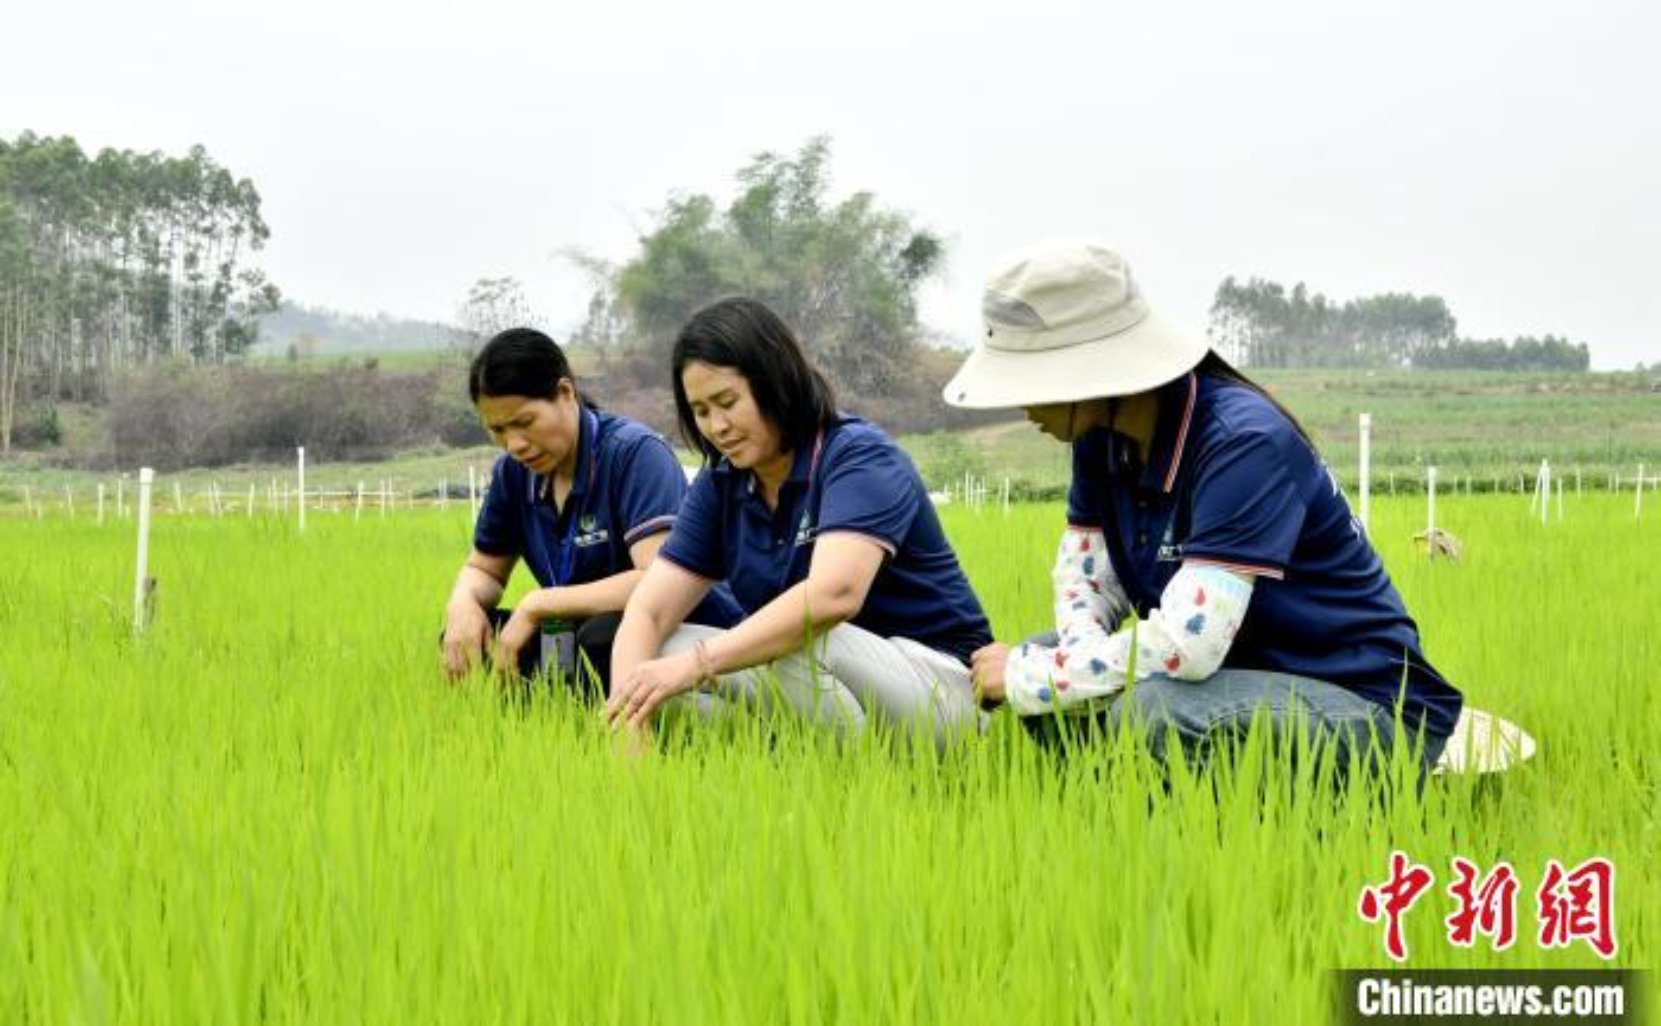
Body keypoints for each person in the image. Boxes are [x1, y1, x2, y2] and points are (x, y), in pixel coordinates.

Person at [945, 243, 1463, 770]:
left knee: (1149, 710)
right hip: (1235, 681)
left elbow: (1188, 644)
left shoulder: (1243, 442)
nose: (1020, 404)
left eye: (1026, 380)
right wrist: (1064, 664)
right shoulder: (1100, 440)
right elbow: (1088, 581)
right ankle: (1128, 816)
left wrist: (1030, 678)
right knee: (1047, 652)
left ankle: (1236, 826)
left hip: (1364, 703)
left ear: (1085, 371)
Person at [605, 297, 992, 745]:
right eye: (701, 411)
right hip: (828, 684)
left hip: (940, 689)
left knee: (796, 638)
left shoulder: (857, 456)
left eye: (727, 402)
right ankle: (787, 770)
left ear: (774, 382)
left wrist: (697, 665)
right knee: (662, 652)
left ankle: (850, 776)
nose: (717, 426)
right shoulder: (722, 483)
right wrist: (627, 721)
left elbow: (833, 596)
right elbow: (649, 610)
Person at [441, 328, 740, 694]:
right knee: (475, 634)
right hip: (570, 629)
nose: (514, 444)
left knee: (602, 635)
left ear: (566, 393)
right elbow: (484, 568)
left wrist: (539, 604)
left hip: (675, 627)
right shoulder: (514, 474)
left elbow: (658, 579)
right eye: (498, 430)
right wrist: (463, 604)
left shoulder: (633, 453)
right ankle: (541, 716)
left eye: (524, 422)